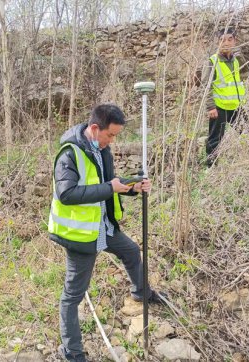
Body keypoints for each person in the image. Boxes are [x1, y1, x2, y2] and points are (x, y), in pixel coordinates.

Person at [48, 104, 165, 362]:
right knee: (73, 295)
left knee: (132, 251)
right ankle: (71, 351)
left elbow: (109, 185)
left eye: (115, 136)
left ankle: (141, 293)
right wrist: (110, 188)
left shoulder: (103, 150)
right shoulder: (70, 153)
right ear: (94, 128)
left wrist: (133, 187)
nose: (113, 140)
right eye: (110, 135)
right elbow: (66, 195)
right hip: (79, 236)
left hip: (103, 227)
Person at [202, 27, 249, 167]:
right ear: (217, 42)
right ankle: (210, 167)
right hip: (219, 108)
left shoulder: (235, 61)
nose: (226, 43)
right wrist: (211, 107)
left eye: (229, 39)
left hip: (235, 107)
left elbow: (241, 77)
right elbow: (206, 85)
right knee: (215, 139)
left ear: (234, 41)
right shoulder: (213, 61)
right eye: (222, 40)